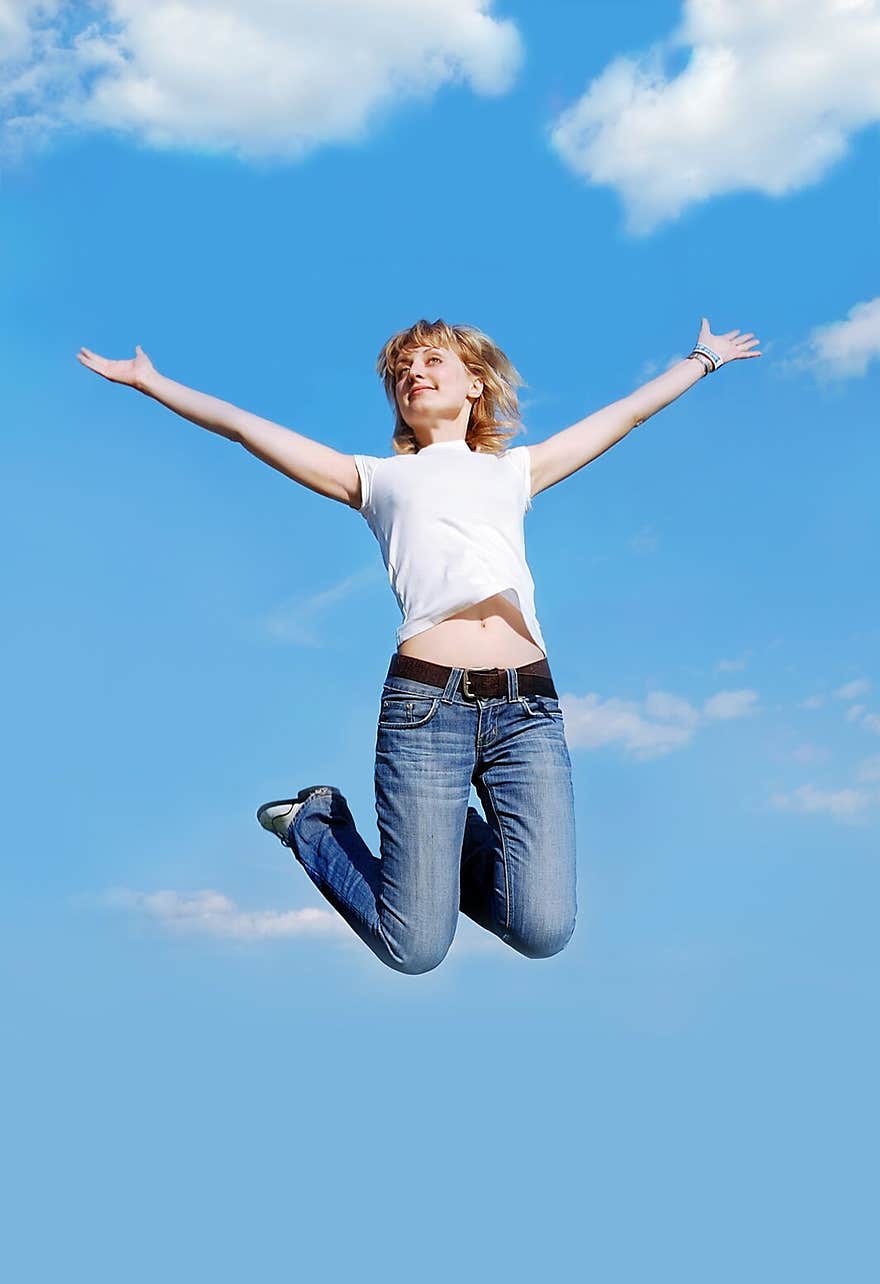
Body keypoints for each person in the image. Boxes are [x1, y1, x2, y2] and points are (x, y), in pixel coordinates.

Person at [77, 316, 760, 974]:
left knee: (544, 928)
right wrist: (150, 382)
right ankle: (314, 823)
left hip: (528, 712)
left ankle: (445, 843)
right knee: (415, 948)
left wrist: (701, 361)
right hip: (426, 709)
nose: (412, 371)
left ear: (475, 385)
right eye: (402, 368)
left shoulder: (515, 470)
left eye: (432, 359)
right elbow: (245, 430)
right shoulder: (377, 479)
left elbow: (625, 415)